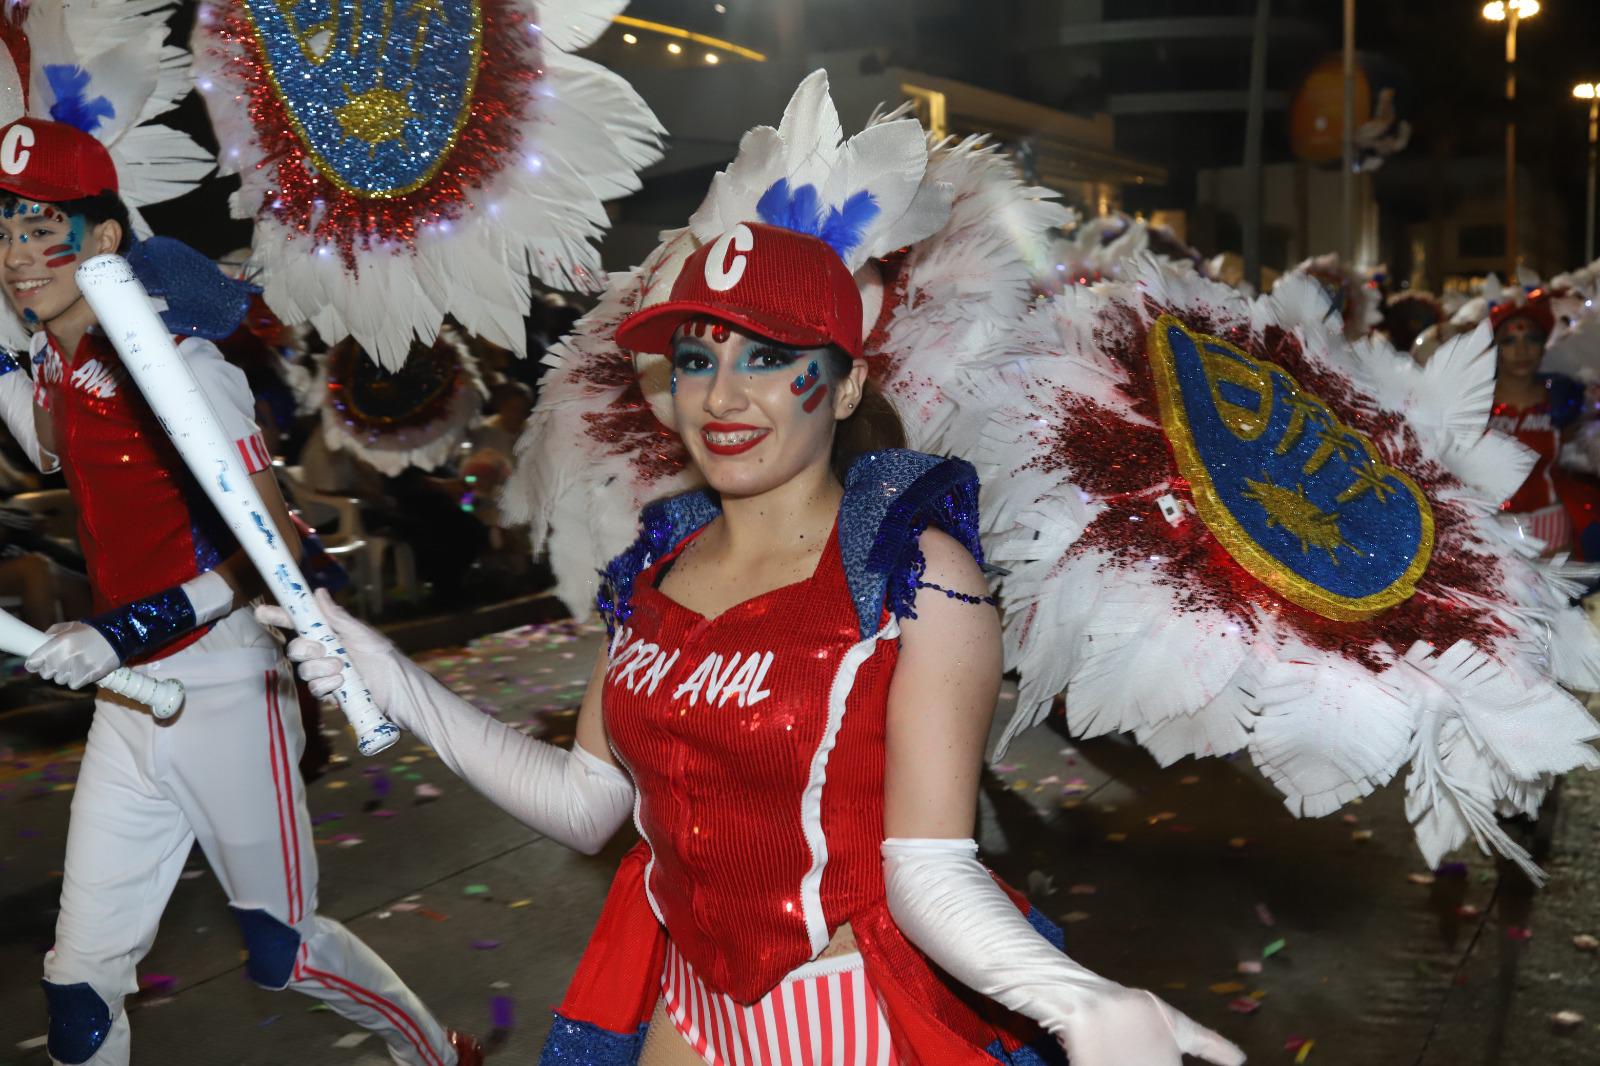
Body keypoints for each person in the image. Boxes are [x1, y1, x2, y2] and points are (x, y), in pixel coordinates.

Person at [262, 220, 1246, 1065]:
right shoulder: (655, 565)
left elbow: (929, 867)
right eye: (698, 359)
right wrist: (395, 680)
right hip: (687, 1009)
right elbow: (587, 803)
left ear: (846, 383)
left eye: (769, 357)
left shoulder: (916, 572)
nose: (722, 396)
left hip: (845, 1021)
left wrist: (1071, 996)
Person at [0, 118, 479, 1066]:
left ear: (102, 239)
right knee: (77, 991)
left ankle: (431, 1051)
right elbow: (51, 445)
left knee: (284, 951)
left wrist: (132, 625)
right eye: (4, 228)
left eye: (39, 228)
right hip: (130, 705)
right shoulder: (60, 356)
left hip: (224, 691)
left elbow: (276, 549)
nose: (17, 254)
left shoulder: (180, 366)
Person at [1484, 291, 1600, 555]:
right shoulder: (1474, 404)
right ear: (1495, 349)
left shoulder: (1564, 400)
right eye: (1509, 341)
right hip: (1489, 530)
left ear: (1543, 346)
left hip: (1550, 526)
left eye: (1532, 340)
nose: (1521, 351)